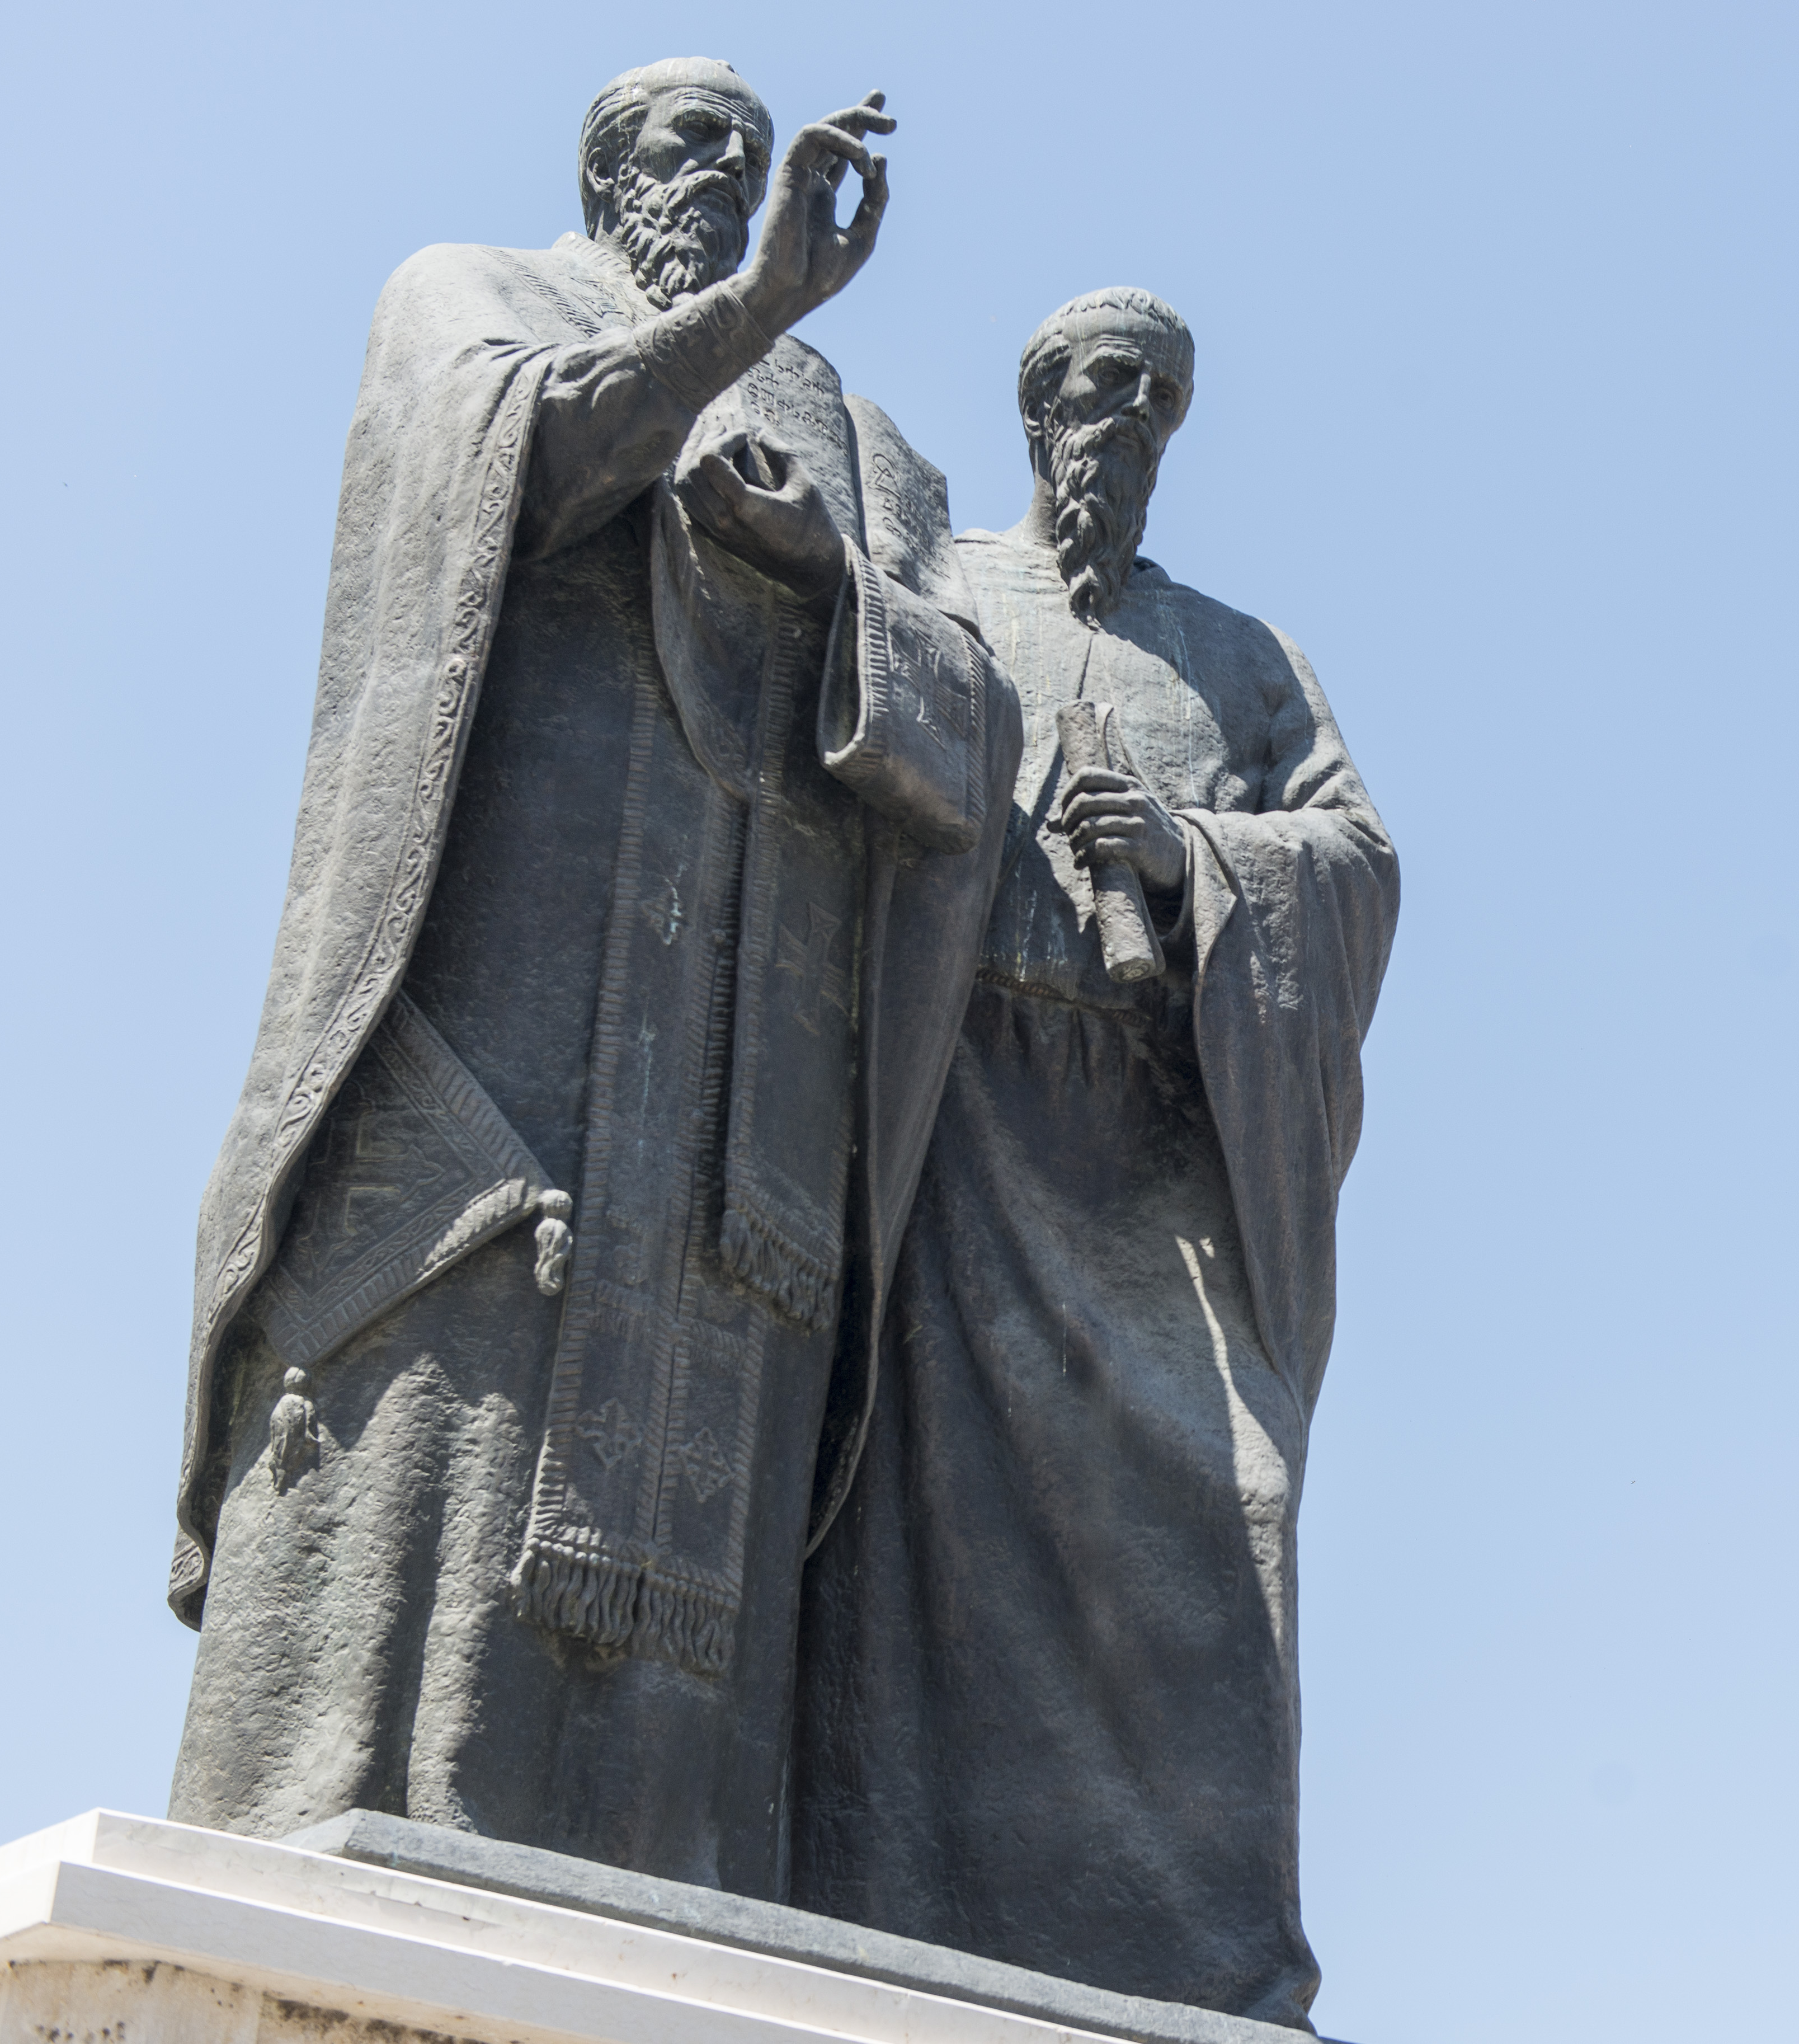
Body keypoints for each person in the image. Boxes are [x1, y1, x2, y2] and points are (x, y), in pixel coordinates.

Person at [164, 57, 1020, 1896]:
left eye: (737, 141)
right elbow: (525, 458)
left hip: (748, 1113)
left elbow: (969, 719)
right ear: (599, 167)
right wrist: (753, 311)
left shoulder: (868, 452)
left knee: (695, 1678)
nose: (715, 166)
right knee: (443, 1456)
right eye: (677, 141)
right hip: (511, 1024)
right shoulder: (470, 290)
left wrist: (836, 577)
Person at [793, 288, 1396, 2027]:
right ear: (1037, 413)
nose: (1120, 417)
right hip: (963, 1124)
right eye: (1091, 389)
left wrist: (1196, 852)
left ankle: (1205, 1976)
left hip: (1153, 1147)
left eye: (1153, 398)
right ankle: (903, 1924)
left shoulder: (1241, 653)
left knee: (1234, 1513)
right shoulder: (953, 588)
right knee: (927, 1552)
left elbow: (1356, 856)